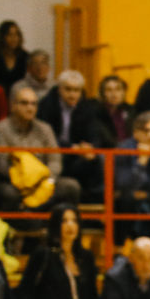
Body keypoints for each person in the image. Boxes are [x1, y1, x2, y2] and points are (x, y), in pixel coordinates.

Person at [0, 85, 82, 211]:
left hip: (43, 182)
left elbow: (55, 160)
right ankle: (27, 218)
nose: (30, 108)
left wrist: (47, 181)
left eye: (34, 104)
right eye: (24, 103)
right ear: (13, 106)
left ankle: (43, 217)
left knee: (71, 187)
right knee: (8, 193)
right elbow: (1, 166)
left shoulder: (45, 129)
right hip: (13, 182)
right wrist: (28, 182)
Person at [38, 70, 111, 201]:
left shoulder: (87, 107)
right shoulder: (46, 105)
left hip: (78, 155)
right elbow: (45, 136)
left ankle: (95, 204)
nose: (72, 94)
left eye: (76, 90)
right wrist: (71, 147)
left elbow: (94, 133)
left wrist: (90, 147)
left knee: (97, 160)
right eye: (68, 89)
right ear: (59, 89)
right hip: (54, 154)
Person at [0, 21, 29, 94]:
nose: (14, 38)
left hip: (19, 95)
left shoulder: (25, 56)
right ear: (2, 37)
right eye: (9, 34)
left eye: (16, 34)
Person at [99, 75, 132, 143]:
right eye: (109, 90)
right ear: (103, 93)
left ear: (123, 92)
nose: (114, 94)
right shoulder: (98, 113)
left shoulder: (131, 110)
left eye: (118, 89)